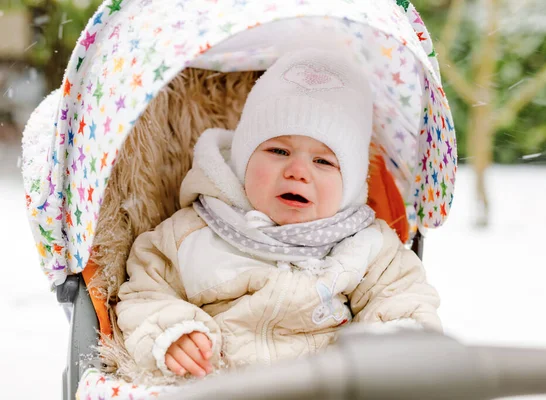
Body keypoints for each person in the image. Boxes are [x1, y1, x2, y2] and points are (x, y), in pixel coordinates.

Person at [116, 48, 441, 379]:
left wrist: (395, 338)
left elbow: (402, 298)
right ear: (243, 159)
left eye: (324, 161)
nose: (298, 171)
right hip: (218, 384)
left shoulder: (368, 247)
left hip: (325, 386)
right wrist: (173, 331)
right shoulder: (192, 234)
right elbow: (145, 290)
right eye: (278, 150)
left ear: (351, 183)